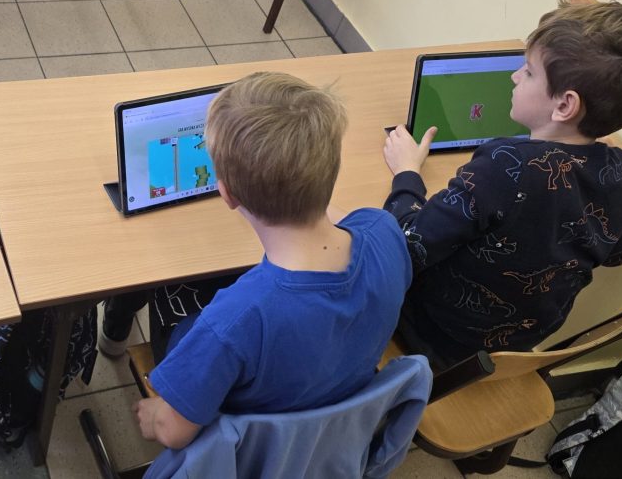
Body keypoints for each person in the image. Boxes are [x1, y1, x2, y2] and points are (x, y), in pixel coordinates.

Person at [382, 0, 622, 366]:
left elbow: (406, 247)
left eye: (530, 72)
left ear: (565, 106)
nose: (515, 76)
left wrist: (407, 172)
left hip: (431, 334)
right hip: (510, 350)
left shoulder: (505, 165)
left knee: (353, 229)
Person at [132, 72, 412, 450]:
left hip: (248, 451)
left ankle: (121, 333)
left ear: (227, 194)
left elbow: (173, 433)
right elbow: (351, 221)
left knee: (168, 292)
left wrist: (154, 416)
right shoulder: (385, 232)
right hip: (328, 415)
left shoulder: (233, 321)